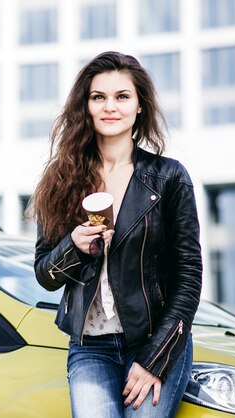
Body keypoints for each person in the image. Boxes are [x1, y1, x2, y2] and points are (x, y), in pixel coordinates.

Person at [30, 51, 202, 418]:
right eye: (99, 97)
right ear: (86, 106)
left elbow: (189, 277)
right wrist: (73, 248)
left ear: (140, 106)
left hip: (153, 340)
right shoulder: (61, 180)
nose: (111, 106)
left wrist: (155, 358)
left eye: (122, 96)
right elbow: (44, 274)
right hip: (90, 347)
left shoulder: (168, 178)